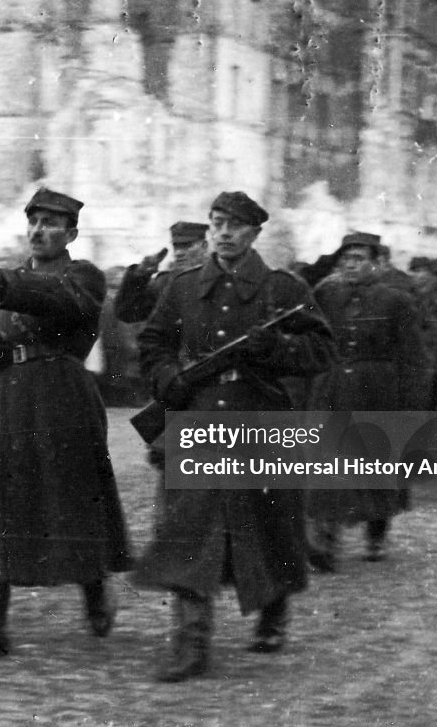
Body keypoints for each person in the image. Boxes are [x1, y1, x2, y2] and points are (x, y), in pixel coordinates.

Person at [135, 191, 334, 682]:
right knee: (190, 527)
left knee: (267, 525)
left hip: (259, 417)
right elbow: (154, 343)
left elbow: (320, 350)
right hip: (199, 417)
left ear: (255, 233)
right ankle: (190, 644)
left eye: (237, 225)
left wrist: (279, 346)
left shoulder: (282, 289)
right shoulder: (182, 286)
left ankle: (272, 613)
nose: (224, 233)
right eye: (218, 222)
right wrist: (167, 379)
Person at [0, 187, 132, 666]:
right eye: (33, 222)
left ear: (71, 232)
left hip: (63, 395)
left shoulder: (82, 276)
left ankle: (95, 593)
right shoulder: (2, 280)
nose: (39, 231)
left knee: (73, 499)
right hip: (9, 400)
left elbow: (65, 304)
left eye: (52, 223)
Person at [308, 232, 431, 568]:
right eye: (345, 259)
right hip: (332, 387)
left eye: (359, 258)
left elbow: (413, 357)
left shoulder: (396, 300)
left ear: (377, 263)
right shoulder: (325, 294)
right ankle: (325, 538)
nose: (350, 265)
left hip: (377, 391)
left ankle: (377, 532)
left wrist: (411, 405)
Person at [114, 221, 209, 324]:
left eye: (186, 245)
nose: (178, 253)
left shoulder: (218, 277)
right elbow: (126, 313)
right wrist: (140, 274)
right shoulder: (165, 282)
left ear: (204, 246)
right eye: (176, 246)